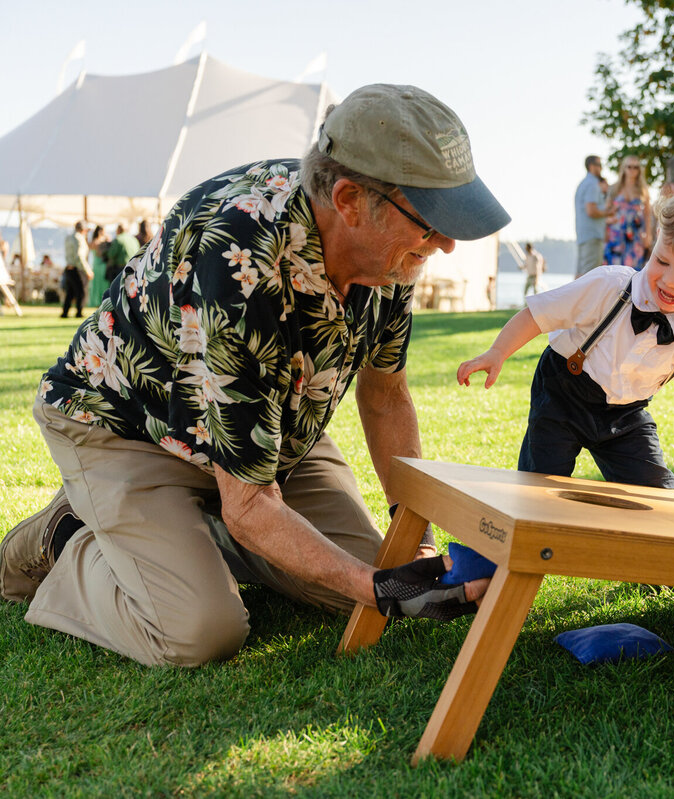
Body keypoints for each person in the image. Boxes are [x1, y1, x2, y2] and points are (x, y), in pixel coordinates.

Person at [1, 83, 510, 667]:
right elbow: (248, 503)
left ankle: (186, 534)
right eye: (429, 222)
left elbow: (386, 397)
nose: (446, 244)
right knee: (199, 631)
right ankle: (67, 537)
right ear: (349, 200)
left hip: (265, 440)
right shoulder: (240, 257)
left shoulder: (388, 259)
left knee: (363, 582)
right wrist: (380, 590)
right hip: (130, 432)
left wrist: (411, 533)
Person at [456, 178, 674, 499]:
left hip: (625, 416)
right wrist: (497, 352)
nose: (670, 281)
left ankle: (643, 552)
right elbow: (538, 314)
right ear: (655, 243)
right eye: (662, 261)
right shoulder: (608, 285)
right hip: (563, 393)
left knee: (655, 498)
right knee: (539, 486)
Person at [603, 154, 653, 270]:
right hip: (616, 232)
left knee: (634, 268)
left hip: (636, 233)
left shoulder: (643, 190)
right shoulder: (614, 188)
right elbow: (606, 211)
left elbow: (647, 214)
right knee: (613, 268)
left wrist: (648, 234)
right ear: (624, 169)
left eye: (636, 167)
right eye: (629, 167)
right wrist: (605, 229)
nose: (632, 170)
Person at [575, 155, 608, 277]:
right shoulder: (593, 184)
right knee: (590, 276)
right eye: (599, 165)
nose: (601, 168)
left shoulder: (583, 183)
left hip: (584, 235)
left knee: (580, 275)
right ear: (591, 166)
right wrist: (609, 212)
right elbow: (591, 211)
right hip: (593, 235)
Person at [61, 221, 91, 318]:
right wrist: (87, 270)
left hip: (68, 268)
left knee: (70, 292)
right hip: (77, 269)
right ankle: (79, 312)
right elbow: (80, 257)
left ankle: (65, 312)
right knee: (81, 291)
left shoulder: (68, 237)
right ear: (83, 230)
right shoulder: (79, 239)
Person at [87, 224, 111, 307]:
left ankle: (101, 300)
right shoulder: (97, 242)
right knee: (99, 283)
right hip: (100, 264)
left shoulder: (98, 241)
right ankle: (98, 300)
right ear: (100, 231)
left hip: (98, 264)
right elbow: (99, 253)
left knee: (101, 283)